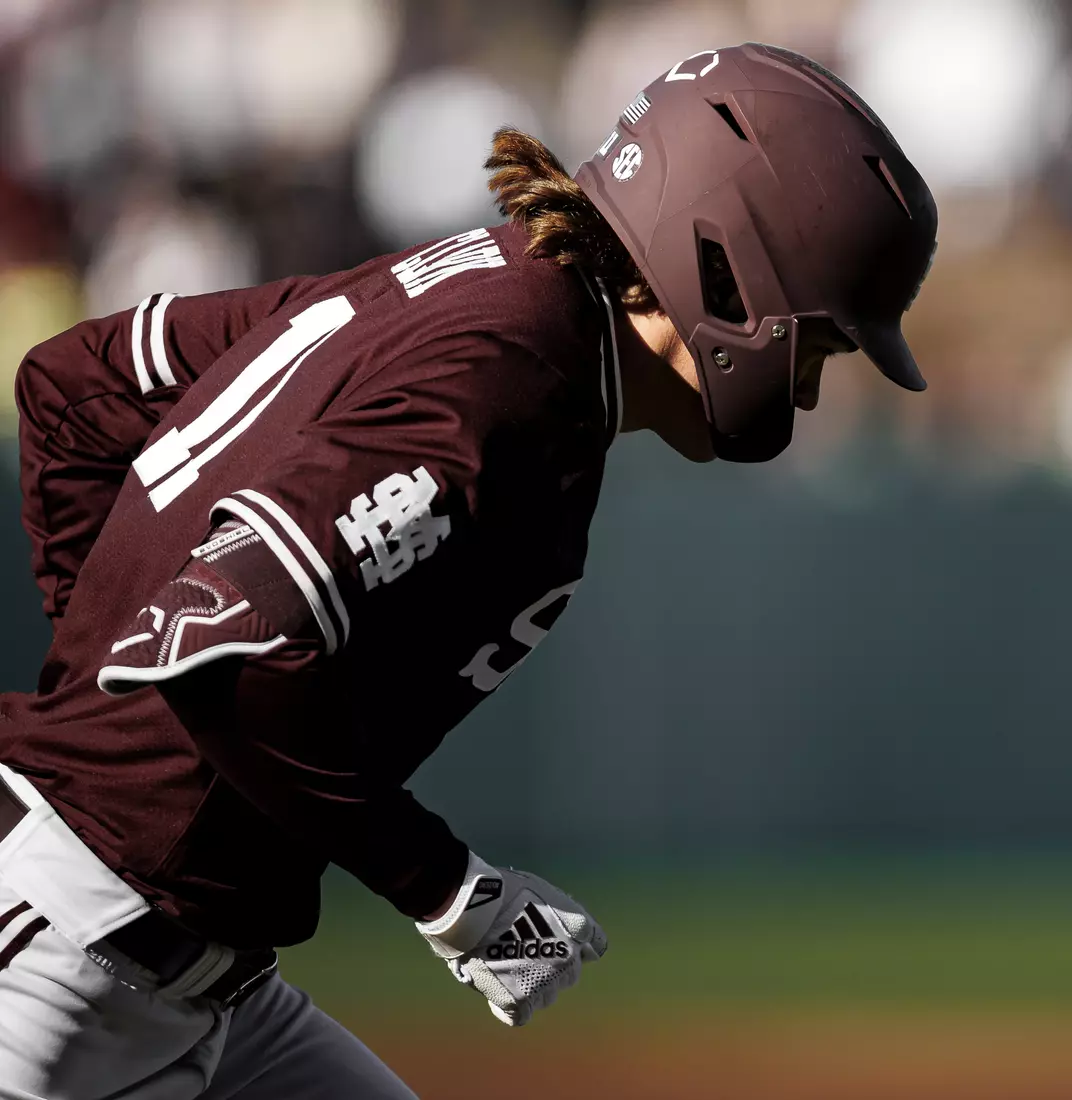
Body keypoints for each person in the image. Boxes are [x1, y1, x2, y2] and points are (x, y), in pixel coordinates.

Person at [0, 43, 936, 1099]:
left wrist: (95, 692)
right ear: (730, 271)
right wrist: (450, 891)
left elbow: (76, 386)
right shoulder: (509, 374)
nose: (810, 386)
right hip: (61, 964)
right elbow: (222, 651)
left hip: (189, 973)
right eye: (820, 342)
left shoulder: (489, 293)